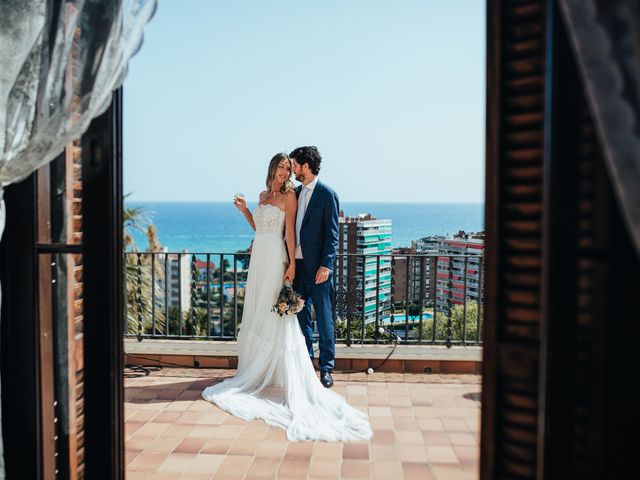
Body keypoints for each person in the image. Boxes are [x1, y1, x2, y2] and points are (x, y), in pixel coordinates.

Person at [201, 152, 372, 442]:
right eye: (281, 167)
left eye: (289, 166)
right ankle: (270, 366)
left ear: (301, 167)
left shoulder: (301, 195)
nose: (287, 171)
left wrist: (294, 263)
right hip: (262, 260)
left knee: (313, 317)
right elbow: (263, 229)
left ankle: (322, 369)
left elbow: (295, 234)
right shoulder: (264, 194)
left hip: (293, 262)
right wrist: (245, 211)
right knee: (279, 313)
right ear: (272, 169)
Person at [290, 146, 339, 389]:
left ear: (306, 166)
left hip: (319, 271)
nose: (292, 170)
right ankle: (307, 365)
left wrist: (326, 266)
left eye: (295, 165)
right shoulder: (295, 193)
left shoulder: (327, 194)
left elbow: (332, 235)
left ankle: (326, 369)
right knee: (301, 319)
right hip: (297, 269)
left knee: (325, 319)